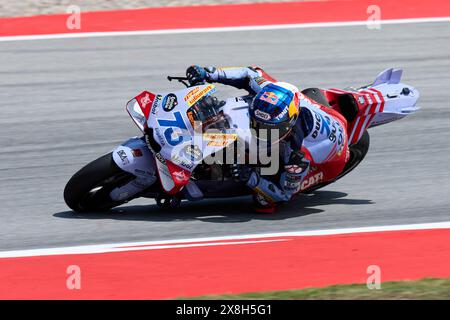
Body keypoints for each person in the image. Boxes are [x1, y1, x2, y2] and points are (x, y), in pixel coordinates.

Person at [186, 65, 312, 213]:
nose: (260, 130)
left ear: (288, 125)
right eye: (257, 124)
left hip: (323, 151)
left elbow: (284, 194)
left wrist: (249, 176)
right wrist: (209, 74)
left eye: (268, 128)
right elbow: (248, 73)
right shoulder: (269, 92)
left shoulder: (297, 154)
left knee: (264, 203)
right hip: (293, 101)